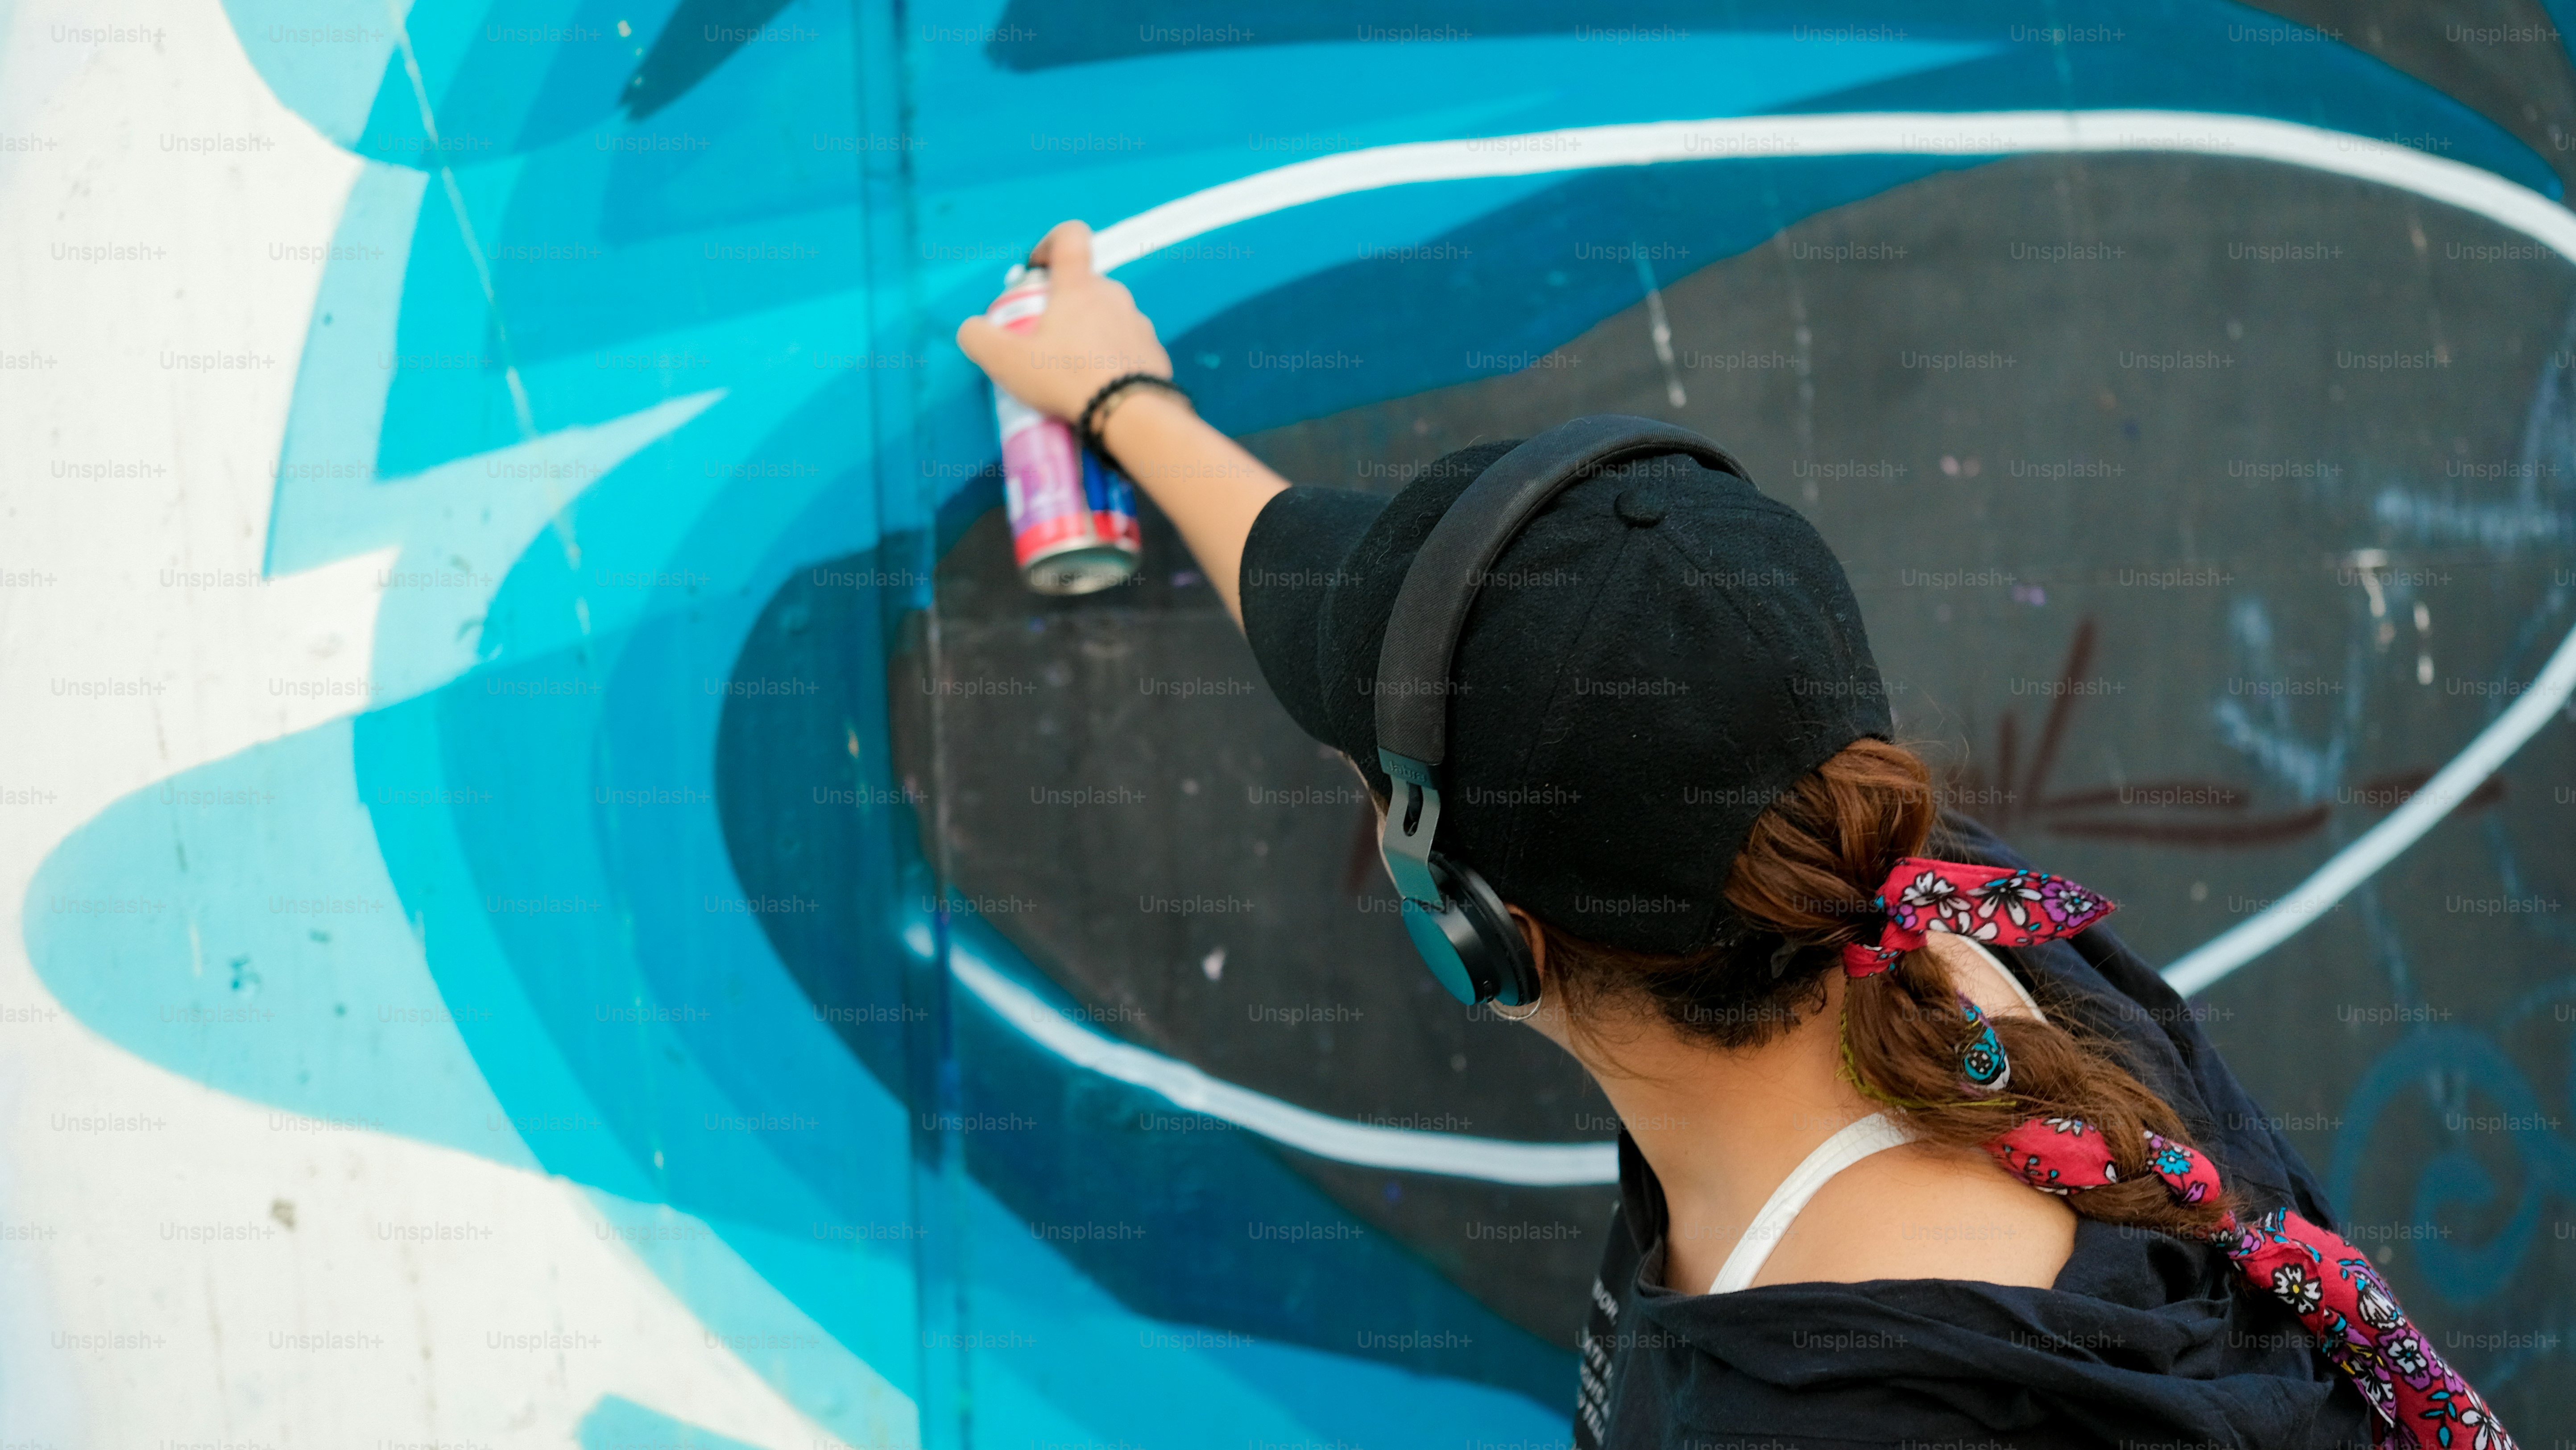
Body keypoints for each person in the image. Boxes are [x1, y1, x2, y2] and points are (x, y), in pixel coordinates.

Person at [956, 221, 2515, 1450]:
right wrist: (1122, 400)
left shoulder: (1824, 1409)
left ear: (1483, 921)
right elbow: (1375, 648)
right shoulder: (1919, 918)